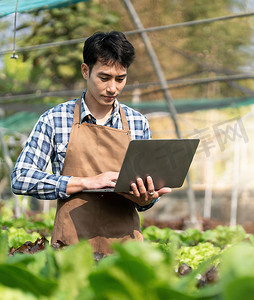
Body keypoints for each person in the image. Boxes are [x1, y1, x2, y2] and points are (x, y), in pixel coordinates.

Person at [11, 31, 171, 254]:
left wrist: (145, 199)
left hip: (125, 252)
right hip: (71, 249)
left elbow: (143, 201)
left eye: (120, 79)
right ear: (85, 71)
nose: (113, 88)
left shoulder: (137, 123)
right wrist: (86, 182)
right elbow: (21, 178)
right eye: (104, 78)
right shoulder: (55, 119)